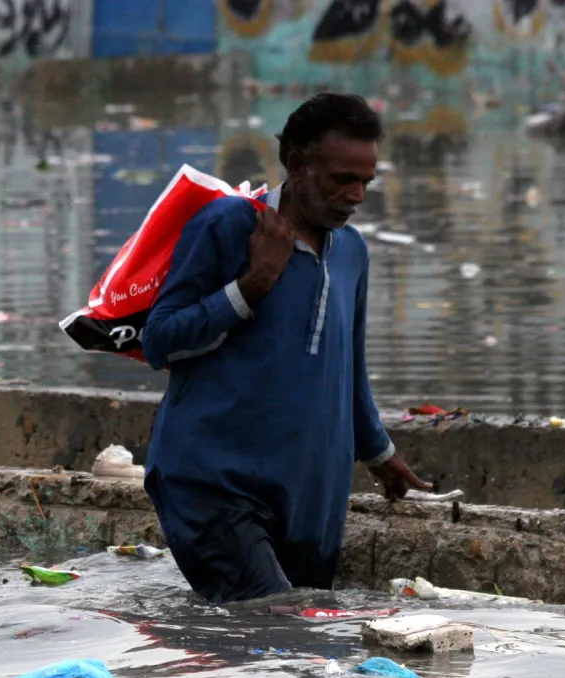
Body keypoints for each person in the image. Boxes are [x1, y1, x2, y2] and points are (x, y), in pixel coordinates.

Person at [141, 92, 429, 604]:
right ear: (297, 166)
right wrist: (252, 285)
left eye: (365, 181)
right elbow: (160, 340)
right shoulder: (230, 226)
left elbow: (348, 367)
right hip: (215, 484)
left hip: (311, 500)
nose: (357, 195)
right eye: (343, 179)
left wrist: (379, 451)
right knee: (272, 620)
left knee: (295, 659)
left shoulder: (352, 253)